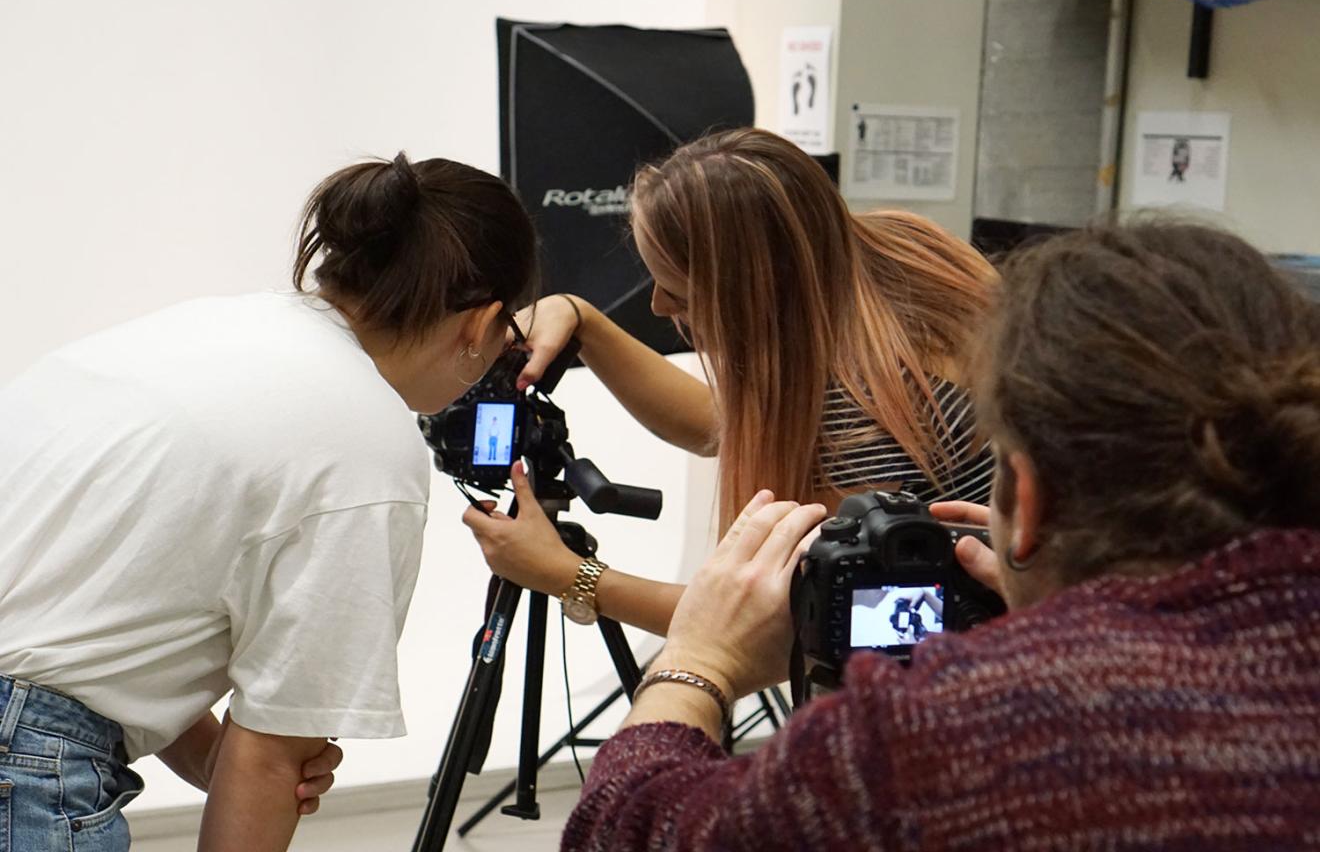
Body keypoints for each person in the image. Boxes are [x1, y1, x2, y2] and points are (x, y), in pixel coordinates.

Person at [560, 220, 1320, 850]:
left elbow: (630, 830)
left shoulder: (933, 736)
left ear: (1024, 498)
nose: (662, 305)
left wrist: (695, 661)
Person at [0, 152, 536, 851]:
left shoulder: (203, 330)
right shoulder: (364, 447)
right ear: (481, 324)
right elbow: (271, 757)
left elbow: (88, 629)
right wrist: (260, 763)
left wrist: (219, 759)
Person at [464, 128, 997, 637]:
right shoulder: (892, 253)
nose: (658, 305)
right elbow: (720, 424)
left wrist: (565, 573)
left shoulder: (863, 424)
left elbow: (772, 625)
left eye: (680, 294)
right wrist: (582, 319)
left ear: (751, 295)